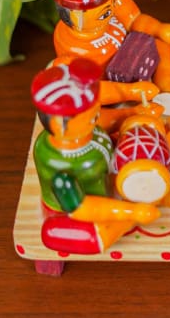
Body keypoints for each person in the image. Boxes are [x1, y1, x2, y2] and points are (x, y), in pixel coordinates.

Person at [32, 59, 162, 254]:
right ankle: (129, 218)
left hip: (110, 186)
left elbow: (106, 113)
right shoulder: (54, 162)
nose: (96, 115)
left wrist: (136, 111)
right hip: (77, 213)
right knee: (80, 233)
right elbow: (81, 208)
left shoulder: (92, 132)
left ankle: (134, 206)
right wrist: (131, 212)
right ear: (58, 124)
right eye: (91, 116)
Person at [49, 0, 170, 131]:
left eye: (109, 3)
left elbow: (135, 20)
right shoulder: (67, 43)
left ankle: (167, 91)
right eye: (101, 11)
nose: (110, 10)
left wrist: (159, 28)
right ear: (72, 15)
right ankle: (131, 114)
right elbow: (86, 88)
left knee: (161, 43)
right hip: (109, 93)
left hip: (135, 66)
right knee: (83, 116)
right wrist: (130, 92)